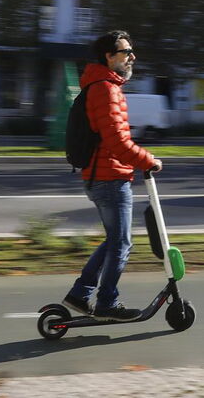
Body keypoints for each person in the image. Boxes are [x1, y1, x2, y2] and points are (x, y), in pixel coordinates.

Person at [63, 30, 161, 321]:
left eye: (131, 50)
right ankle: (106, 303)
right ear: (109, 56)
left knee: (116, 240)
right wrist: (148, 160)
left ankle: (81, 294)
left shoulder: (103, 85)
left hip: (103, 176)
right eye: (126, 51)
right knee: (121, 243)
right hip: (109, 178)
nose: (132, 56)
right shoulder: (105, 89)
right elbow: (116, 142)